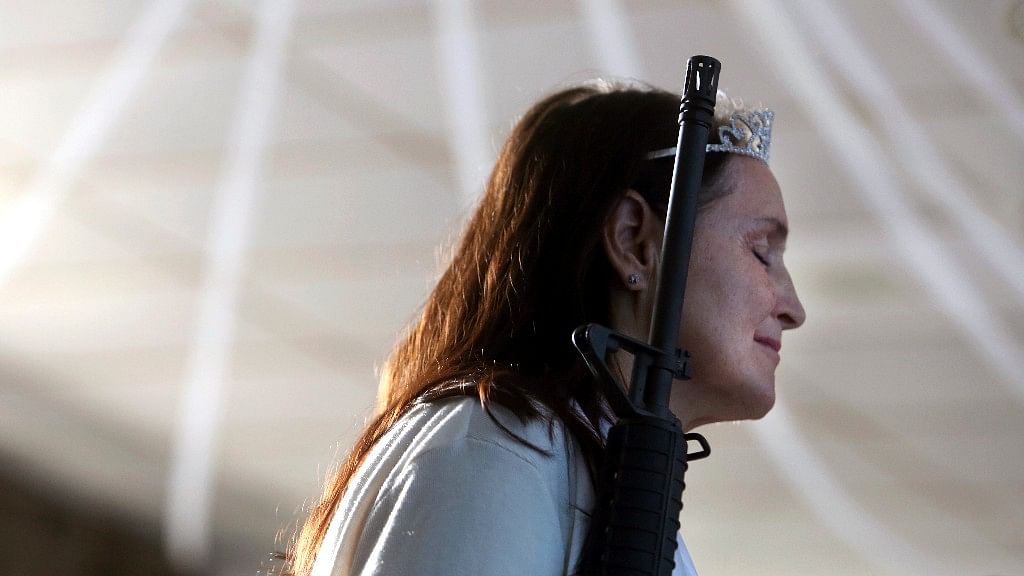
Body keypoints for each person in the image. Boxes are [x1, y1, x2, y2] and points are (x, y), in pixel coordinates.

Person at [280, 79, 806, 576]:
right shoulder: (496, 451)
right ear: (634, 240)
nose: (794, 308)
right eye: (762, 252)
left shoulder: (564, 464)